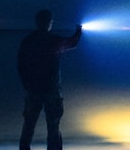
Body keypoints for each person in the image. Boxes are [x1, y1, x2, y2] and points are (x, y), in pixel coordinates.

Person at [17, 9, 83, 150]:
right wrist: (79, 30)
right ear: (49, 23)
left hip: (33, 90)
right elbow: (72, 43)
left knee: (28, 126)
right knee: (53, 127)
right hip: (52, 91)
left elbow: (20, 66)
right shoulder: (53, 41)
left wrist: (27, 85)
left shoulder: (28, 42)